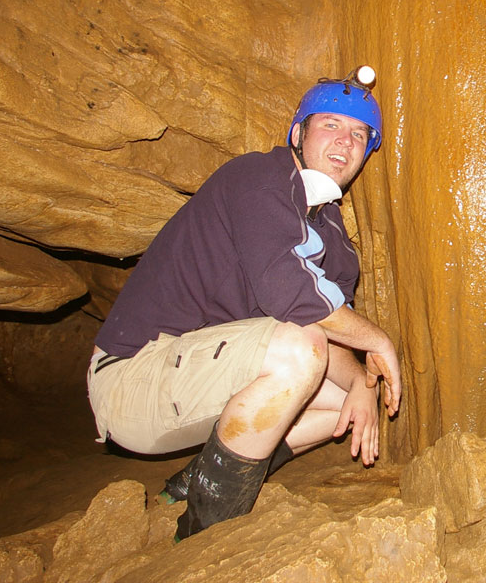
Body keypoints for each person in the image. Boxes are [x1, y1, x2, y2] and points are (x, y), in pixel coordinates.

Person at [87, 65, 401, 539]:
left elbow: (328, 326)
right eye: (331, 125)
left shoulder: (334, 238)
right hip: (133, 377)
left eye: (359, 134)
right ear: (298, 133)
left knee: (342, 398)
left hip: (194, 386)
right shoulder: (258, 178)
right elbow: (289, 295)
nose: (345, 141)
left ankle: (203, 475)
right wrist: (379, 340)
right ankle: (205, 531)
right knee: (301, 350)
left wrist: (362, 384)